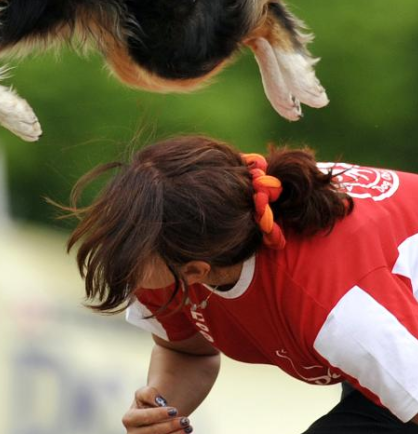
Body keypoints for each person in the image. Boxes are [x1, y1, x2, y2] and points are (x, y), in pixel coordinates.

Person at [66, 135, 418, 434]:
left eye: (131, 261)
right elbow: (188, 350)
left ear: (195, 272)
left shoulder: (337, 308)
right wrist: (160, 411)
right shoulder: (168, 253)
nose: (123, 266)